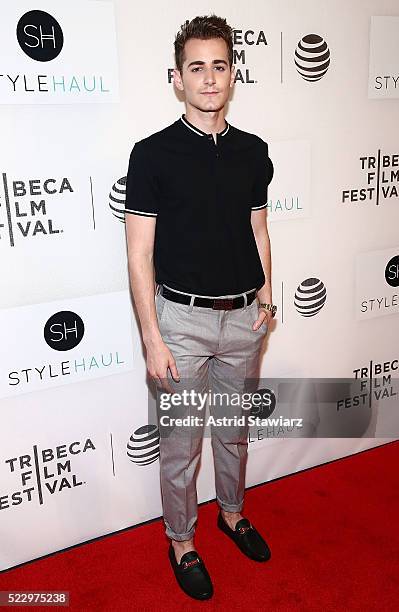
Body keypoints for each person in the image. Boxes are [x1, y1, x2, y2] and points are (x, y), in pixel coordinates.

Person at [125, 14, 276, 601]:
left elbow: (259, 230)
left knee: (234, 433)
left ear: (232, 74)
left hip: (244, 319)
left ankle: (232, 514)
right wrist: (152, 339)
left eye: (219, 65)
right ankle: (182, 541)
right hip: (180, 325)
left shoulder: (254, 152)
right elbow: (139, 255)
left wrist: (267, 297)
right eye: (196, 68)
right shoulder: (152, 155)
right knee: (181, 444)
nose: (209, 78)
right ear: (177, 78)